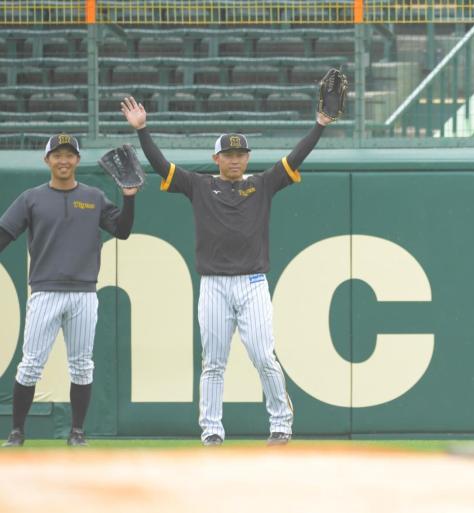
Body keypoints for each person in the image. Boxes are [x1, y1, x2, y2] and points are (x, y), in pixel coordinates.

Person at [120, 96, 334, 446]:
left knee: (264, 355)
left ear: (247, 158)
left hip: (252, 283)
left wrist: (319, 125)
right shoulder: (200, 185)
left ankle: (281, 424)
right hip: (214, 284)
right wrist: (142, 131)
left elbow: (296, 158)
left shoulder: (262, 183)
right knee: (214, 362)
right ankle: (212, 430)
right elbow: (161, 166)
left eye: (240, 155)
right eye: (228, 155)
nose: (235, 160)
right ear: (215, 159)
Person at [1, 134, 137, 447]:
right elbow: (4, 233)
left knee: (81, 363)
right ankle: (17, 431)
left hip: (84, 293)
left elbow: (123, 230)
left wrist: (129, 197)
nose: (63, 160)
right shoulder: (31, 198)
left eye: (69, 154)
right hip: (46, 290)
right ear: (47, 159)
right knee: (31, 363)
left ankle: (77, 432)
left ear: (77, 160)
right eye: (57, 154)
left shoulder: (94, 196)